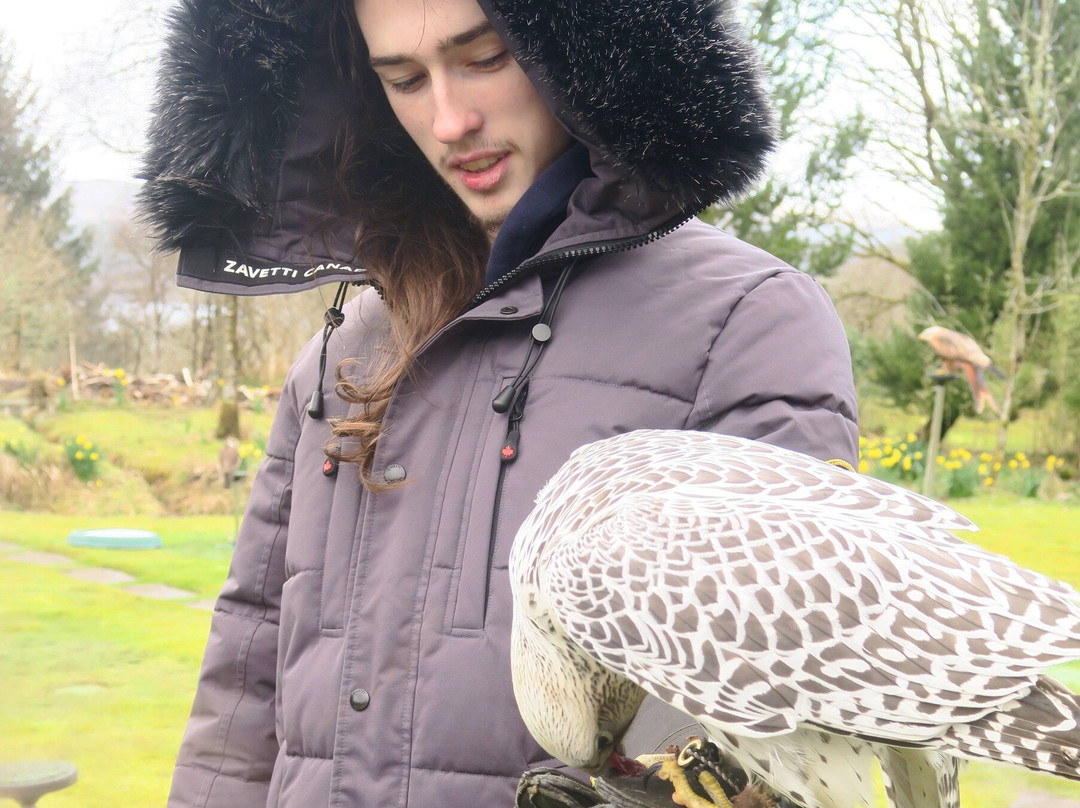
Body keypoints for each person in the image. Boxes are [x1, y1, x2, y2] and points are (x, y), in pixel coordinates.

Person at [140, 0, 860, 805]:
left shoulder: (747, 324)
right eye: (405, 79)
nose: (448, 120)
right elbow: (246, 675)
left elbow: (784, 721)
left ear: (577, 44)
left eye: (483, 58)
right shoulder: (337, 358)